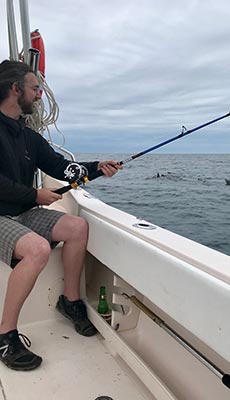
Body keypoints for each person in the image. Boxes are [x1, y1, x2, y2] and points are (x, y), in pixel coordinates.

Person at [0, 60, 122, 371]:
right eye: (35, 88)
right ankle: (4, 335)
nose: (39, 95)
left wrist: (97, 168)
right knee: (38, 249)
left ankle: (69, 301)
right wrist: (35, 195)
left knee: (77, 227)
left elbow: (59, 167)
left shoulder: (28, 136)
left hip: (23, 212)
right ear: (16, 90)